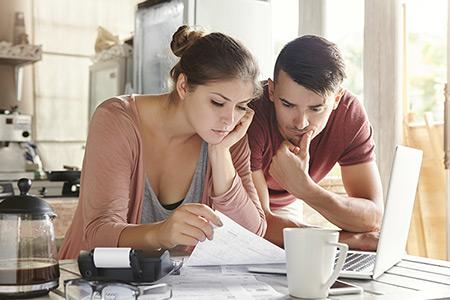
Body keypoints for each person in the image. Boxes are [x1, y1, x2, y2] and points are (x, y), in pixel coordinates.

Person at [59, 26, 266, 259]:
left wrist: (220, 154)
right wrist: (161, 233)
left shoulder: (227, 138)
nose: (229, 119)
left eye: (241, 106)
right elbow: (98, 234)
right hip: (88, 283)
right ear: (183, 86)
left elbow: (254, 233)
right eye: (218, 103)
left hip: (168, 289)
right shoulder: (117, 119)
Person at [247, 35, 384, 250]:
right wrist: (347, 241)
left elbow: (373, 217)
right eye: (287, 104)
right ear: (272, 91)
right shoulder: (251, 112)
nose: (300, 123)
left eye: (316, 109)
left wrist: (304, 188)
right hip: (240, 212)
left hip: (288, 206)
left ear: (337, 99)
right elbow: (257, 224)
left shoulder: (349, 115)